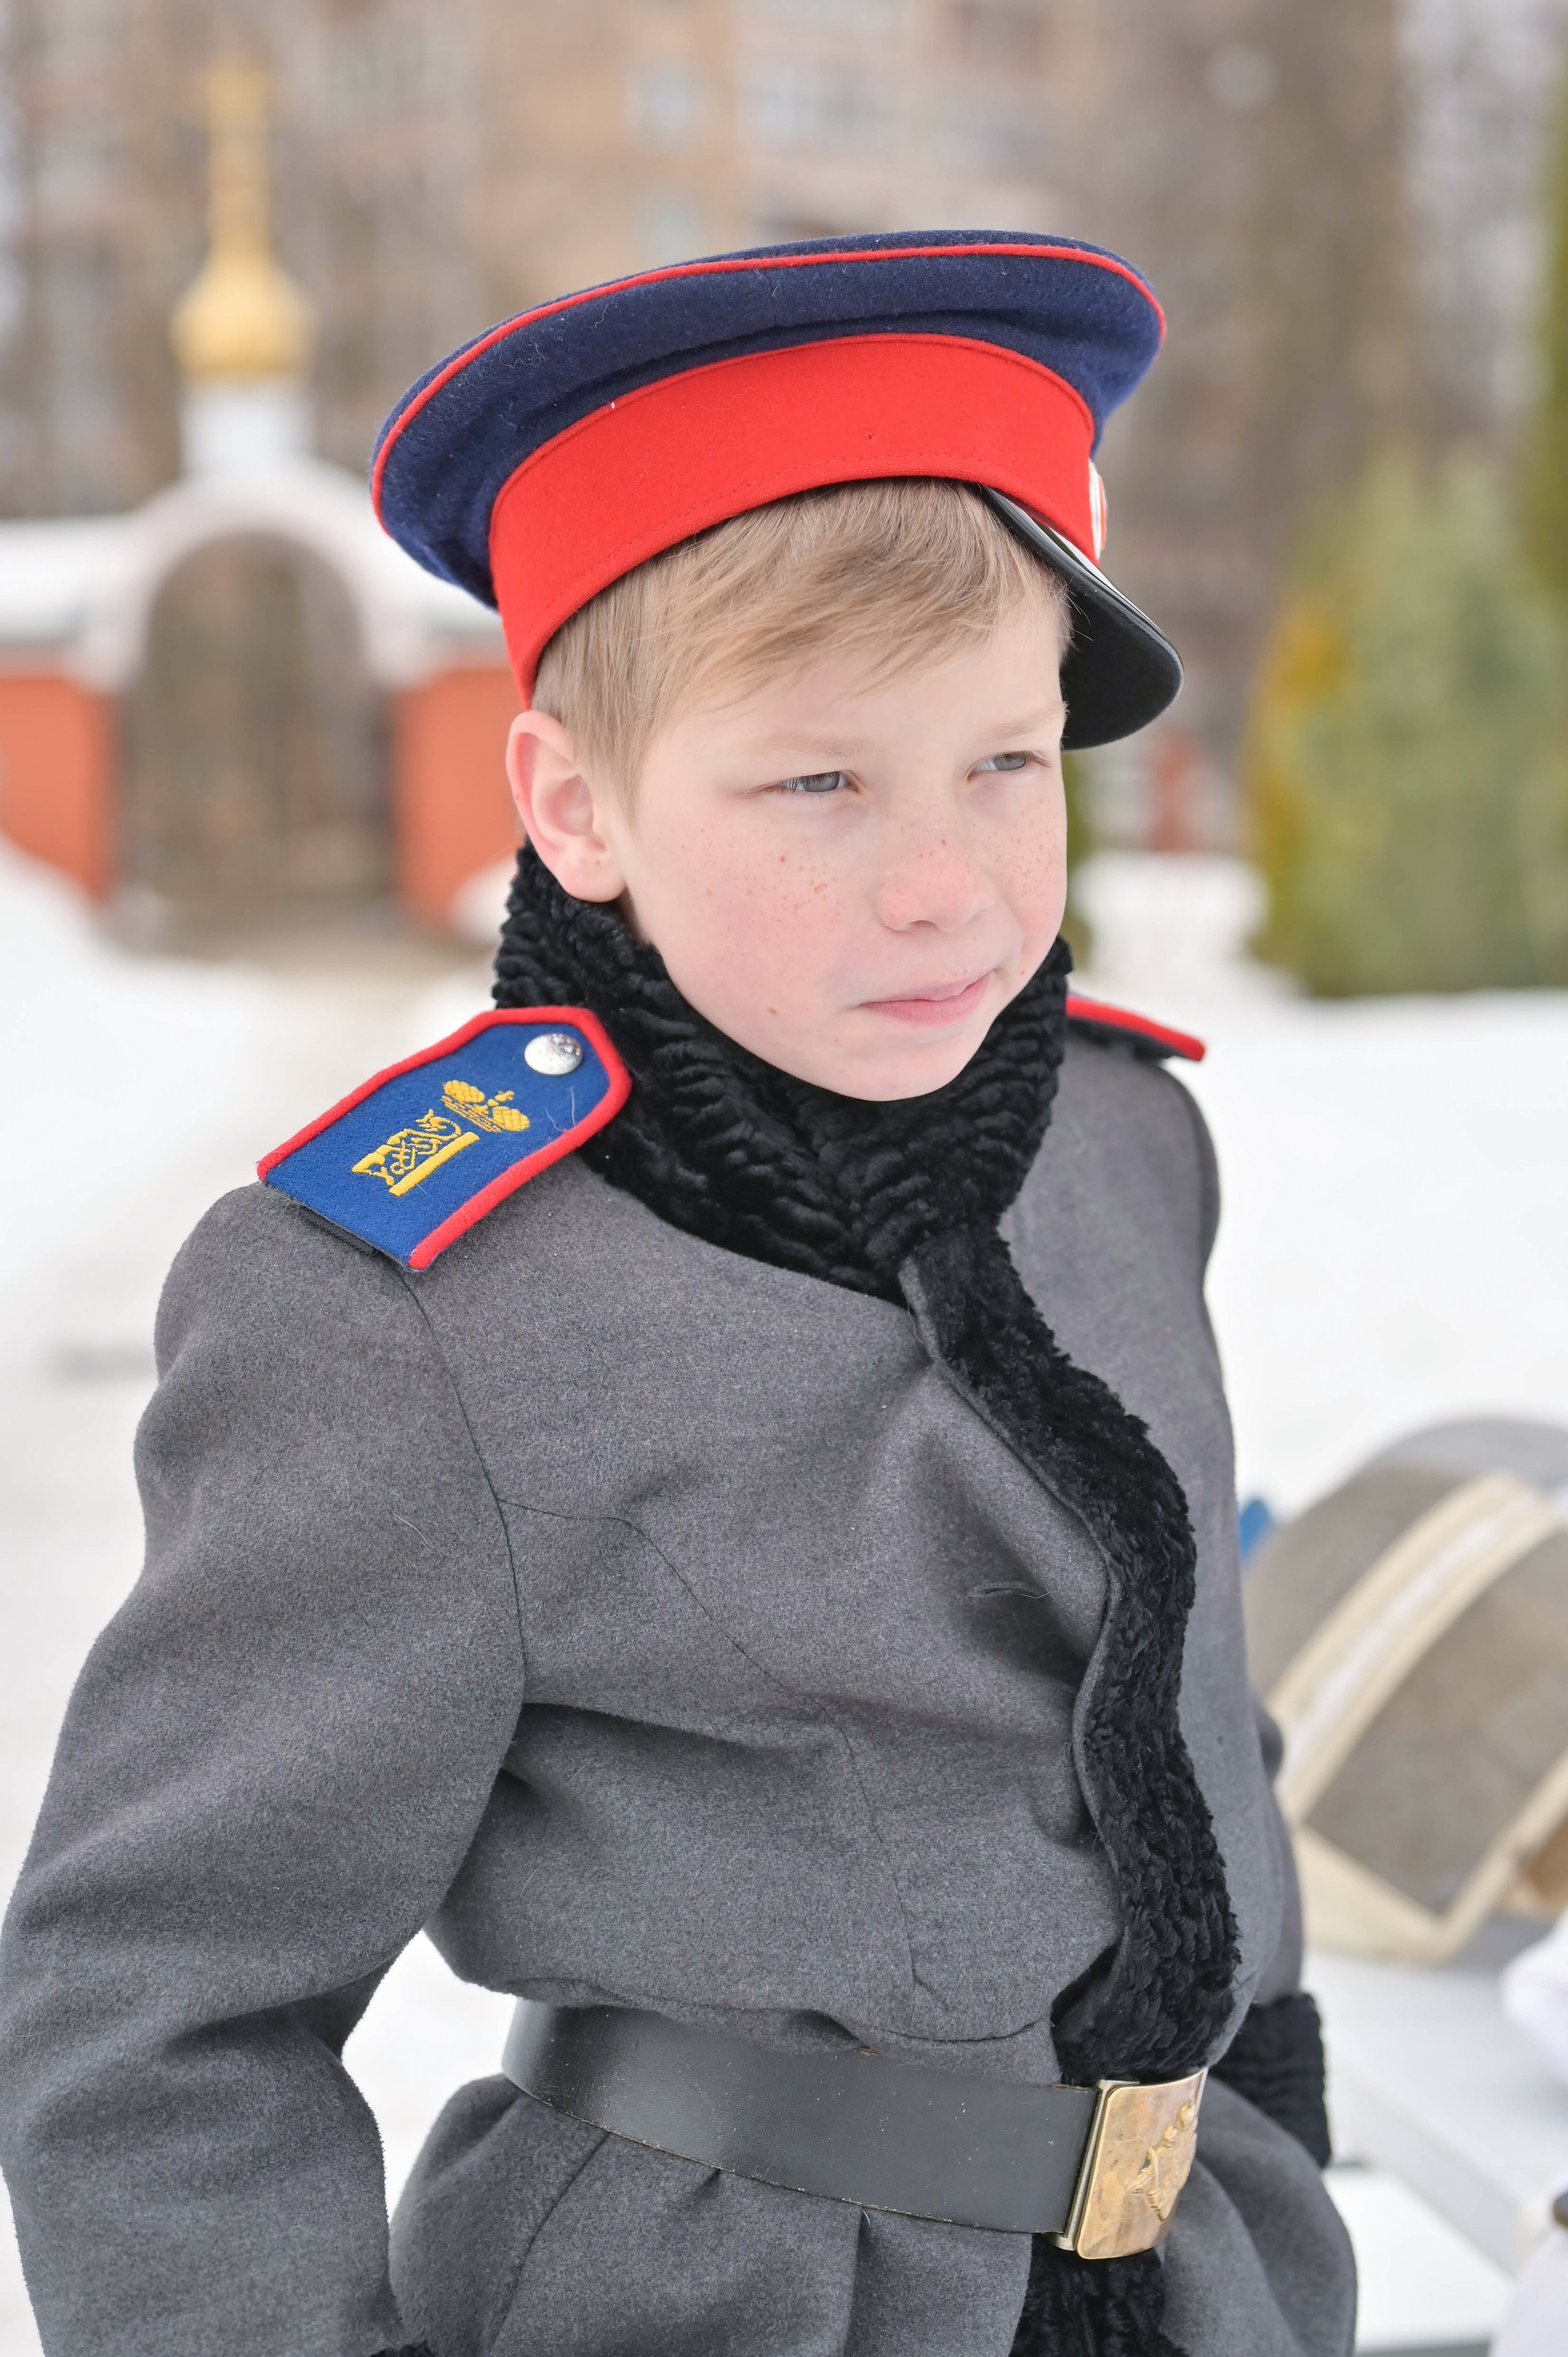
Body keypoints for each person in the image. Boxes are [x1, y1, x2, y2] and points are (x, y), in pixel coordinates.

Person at [0, 232, 1355, 2357]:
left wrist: (1266, 2109)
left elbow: (1186, 1701)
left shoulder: (1119, 1144)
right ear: (576, 803)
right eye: (819, 781)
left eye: (1006, 762)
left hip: (1204, 2286)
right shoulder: (407, 1313)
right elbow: (153, 2020)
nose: (945, 881)